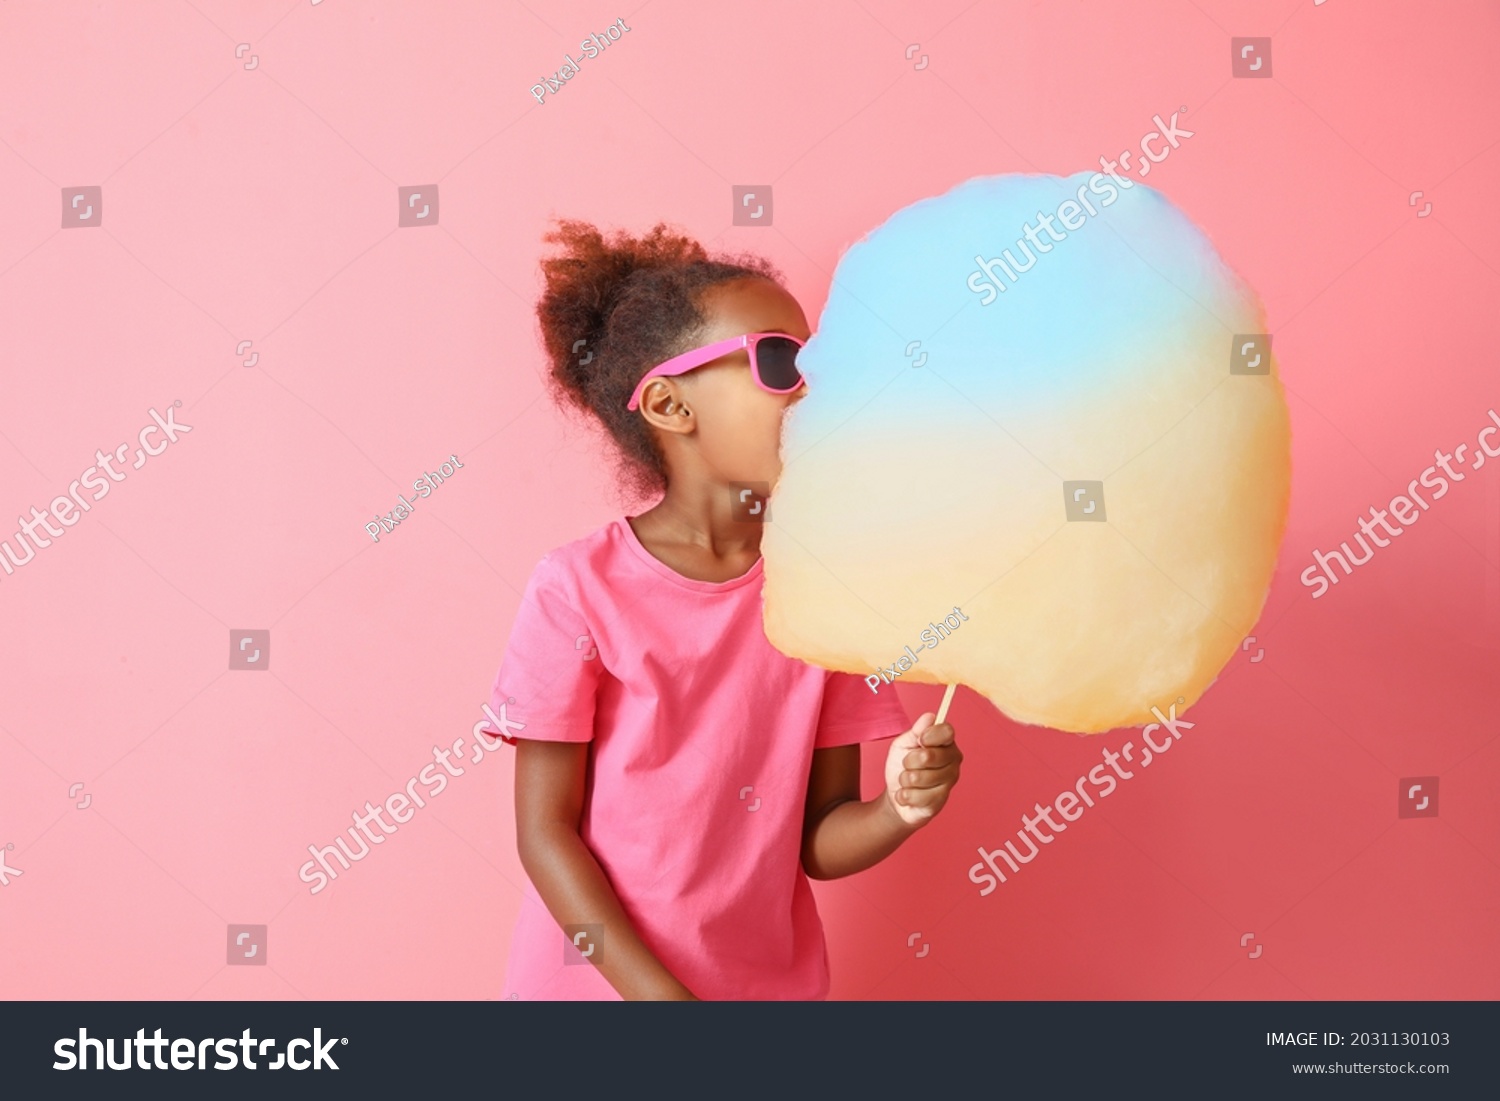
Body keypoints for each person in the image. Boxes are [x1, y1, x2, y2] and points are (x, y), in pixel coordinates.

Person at [484, 219, 962, 1000]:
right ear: (671, 404)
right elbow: (545, 833)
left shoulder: (826, 592)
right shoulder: (576, 588)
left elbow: (820, 835)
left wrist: (899, 808)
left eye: (818, 364)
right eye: (781, 361)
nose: (812, 387)